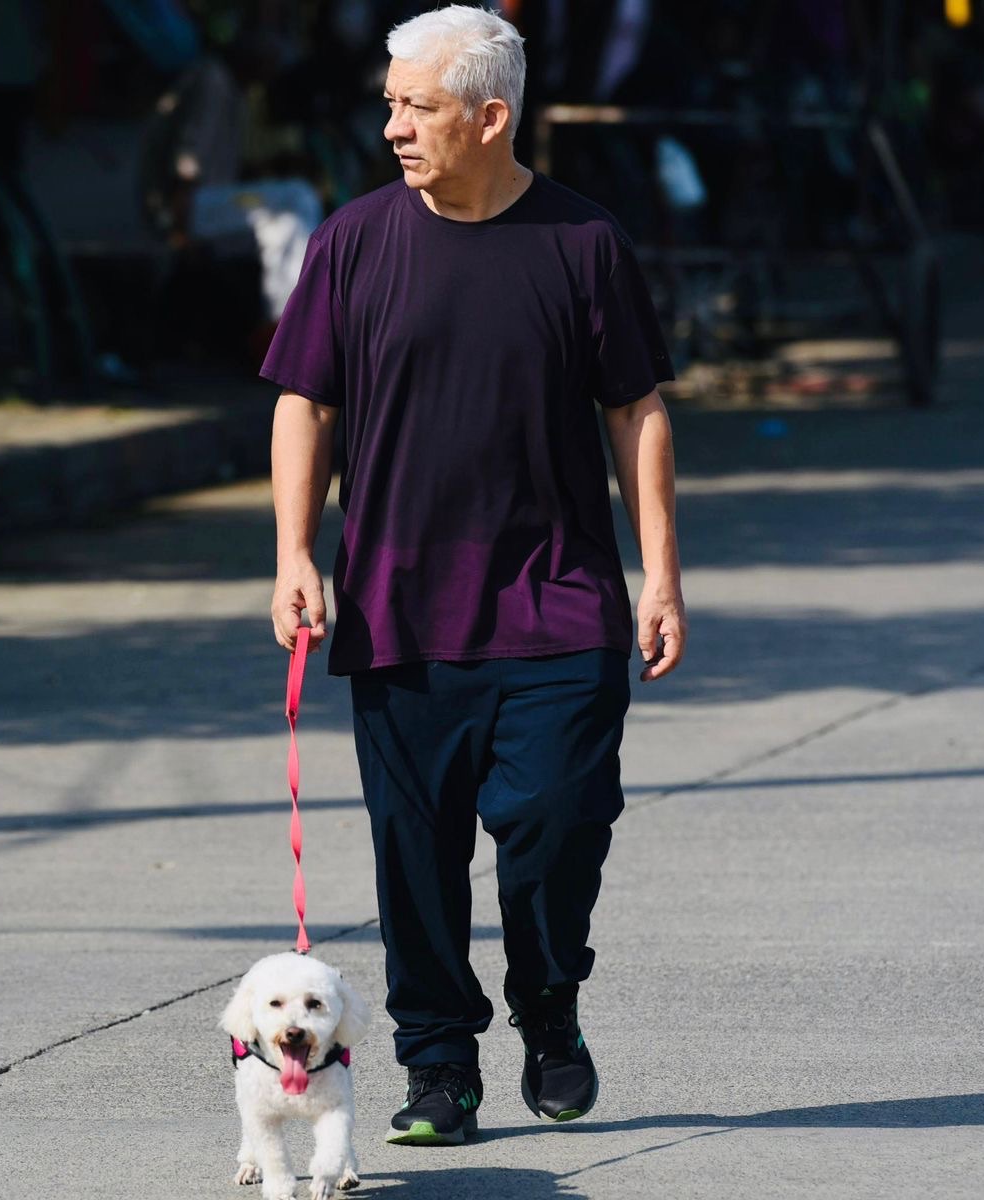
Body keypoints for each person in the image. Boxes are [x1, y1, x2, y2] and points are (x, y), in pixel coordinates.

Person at [263, 5, 685, 1146]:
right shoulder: (352, 242)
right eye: (391, 103)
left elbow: (635, 406)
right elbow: (304, 402)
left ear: (491, 118)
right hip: (397, 609)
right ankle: (437, 1066)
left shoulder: (582, 243)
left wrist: (659, 574)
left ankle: (549, 1006)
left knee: (554, 824)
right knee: (416, 859)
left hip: (559, 600)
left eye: (419, 106)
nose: (394, 126)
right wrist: (296, 553)